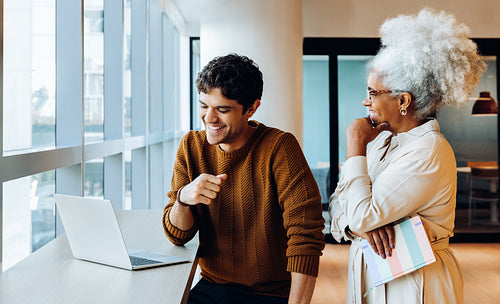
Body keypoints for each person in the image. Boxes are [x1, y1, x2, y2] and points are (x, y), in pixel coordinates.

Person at [329, 8, 485, 304]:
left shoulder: (430, 150)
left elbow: (361, 214)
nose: (366, 101)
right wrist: (359, 228)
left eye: (373, 93)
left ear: (402, 100)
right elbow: (339, 204)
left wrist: (354, 145)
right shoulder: (380, 141)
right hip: (371, 276)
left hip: (415, 284)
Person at [163, 53, 325, 304]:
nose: (209, 118)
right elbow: (178, 236)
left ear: (251, 108)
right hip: (212, 286)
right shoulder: (191, 146)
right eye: (204, 106)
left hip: (270, 294)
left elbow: (305, 235)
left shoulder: (280, 147)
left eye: (223, 109)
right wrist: (183, 199)